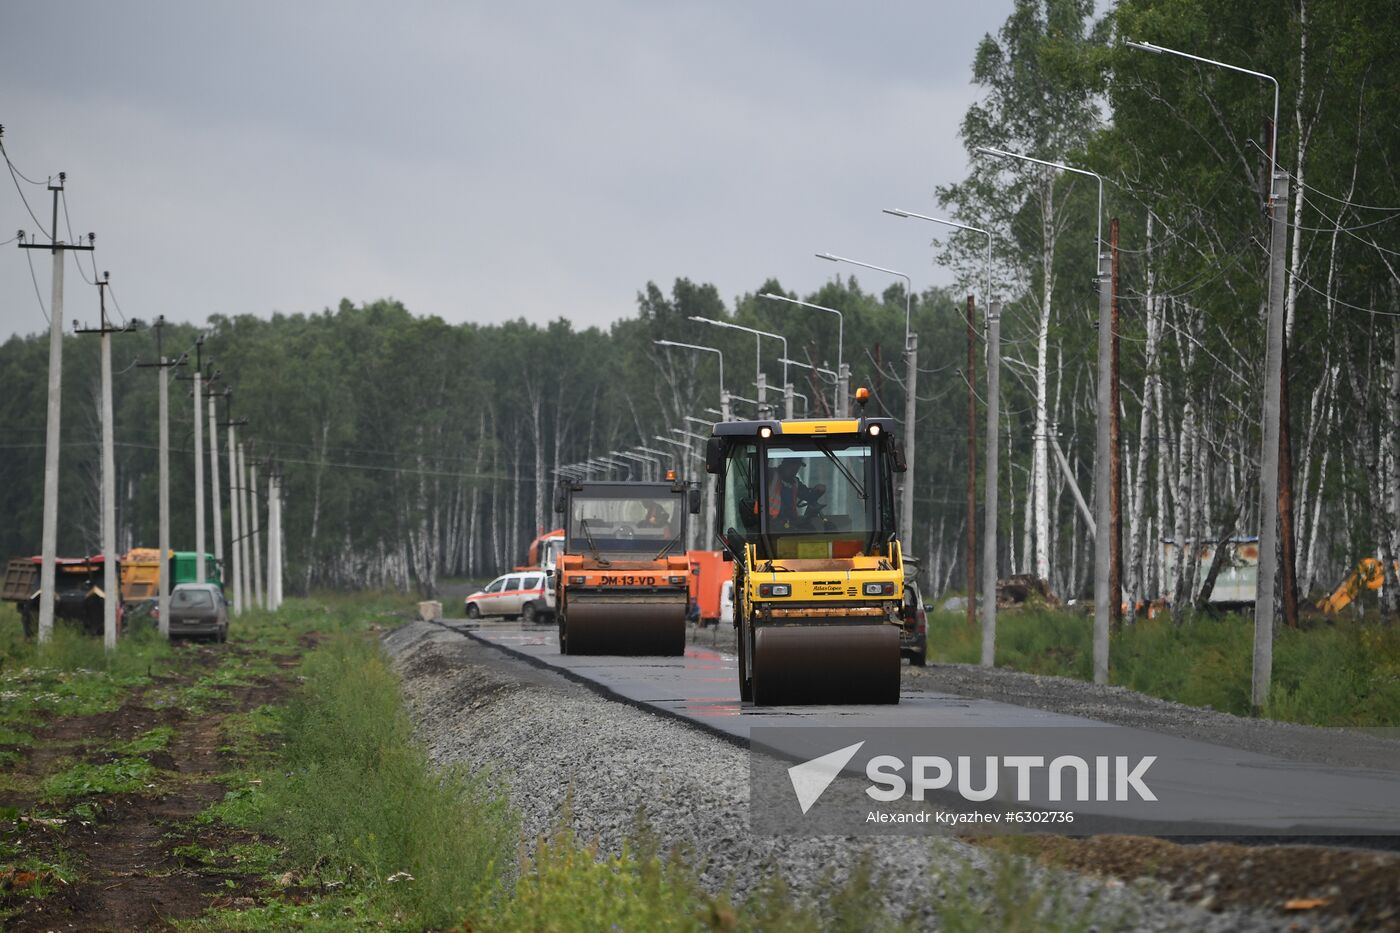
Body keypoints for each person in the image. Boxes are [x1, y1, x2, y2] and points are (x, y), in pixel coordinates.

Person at [766, 458, 825, 525]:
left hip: (790, 522)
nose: (795, 470)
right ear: (784, 464)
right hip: (771, 523)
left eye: (797, 467)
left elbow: (807, 495)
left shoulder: (795, 482)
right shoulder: (770, 475)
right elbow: (761, 470)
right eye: (792, 466)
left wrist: (817, 491)